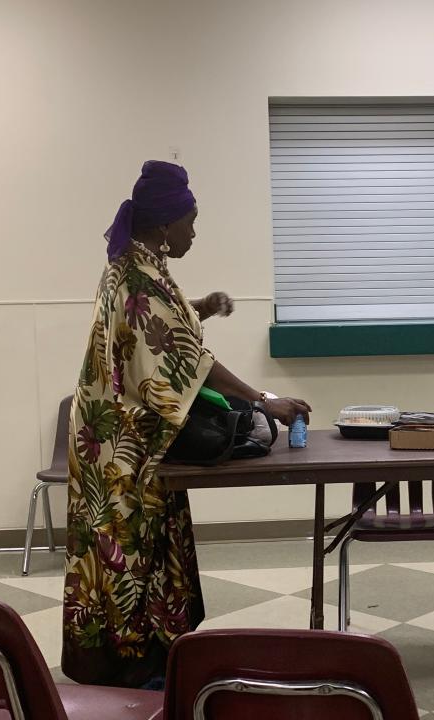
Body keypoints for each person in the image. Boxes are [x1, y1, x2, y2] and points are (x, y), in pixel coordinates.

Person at [62, 160, 311, 688]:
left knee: (139, 546)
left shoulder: (138, 263)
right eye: (190, 221)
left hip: (118, 435)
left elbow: (155, 330)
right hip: (123, 445)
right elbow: (185, 357)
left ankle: (145, 662)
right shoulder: (139, 273)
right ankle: (133, 673)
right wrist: (264, 400)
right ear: (163, 224)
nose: (194, 232)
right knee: (126, 551)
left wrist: (198, 306)